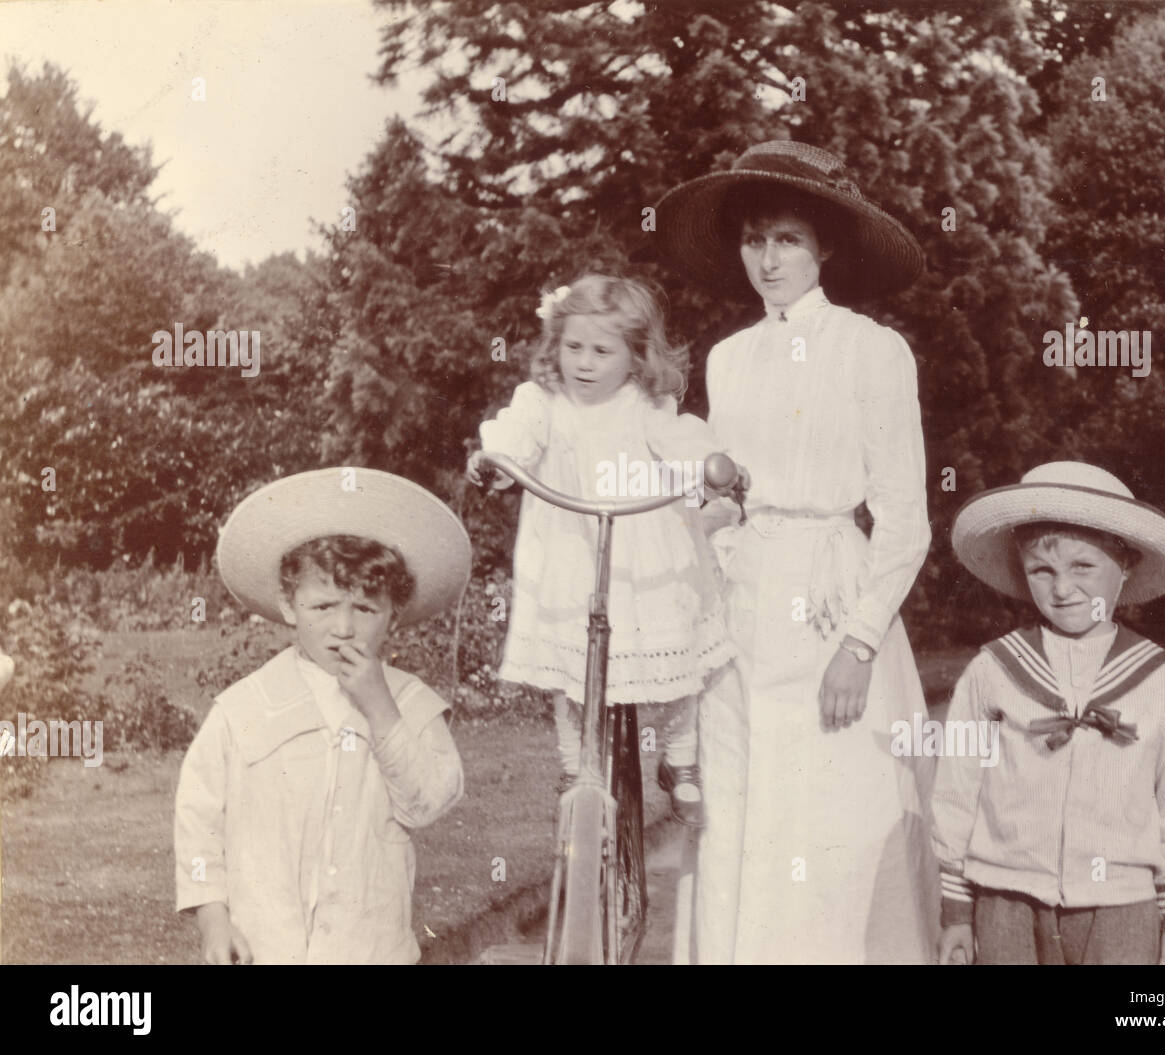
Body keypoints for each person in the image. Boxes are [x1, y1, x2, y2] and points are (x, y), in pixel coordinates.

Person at [655, 140, 938, 963]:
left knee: (832, 813)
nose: (767, 258)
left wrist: (859, 641)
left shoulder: (872, 349)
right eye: (752, 239)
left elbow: (905, 518)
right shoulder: (729, 358)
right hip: (743, 602)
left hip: (831, 601)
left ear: (826, 247)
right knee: (743, 808)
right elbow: (724, 496)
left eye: (786, 238)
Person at [468, 274, 743, 827]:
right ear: (556, 346)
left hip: (646, 556)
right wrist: (496, 460)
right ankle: (576, 767)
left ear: (635, 357)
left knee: (676, 654)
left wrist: (713, 470)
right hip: (571, 554)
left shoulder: (644, 405)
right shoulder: (542, 400)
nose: (585, 363)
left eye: (601, 350)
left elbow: (681, 444)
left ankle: (680, 759)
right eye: (573, 348)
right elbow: (518, 434)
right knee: (574, 671)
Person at [174, 467, 471, 964]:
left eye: (365, 609)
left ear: (394, 614)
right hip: (266, 947)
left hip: (371, 948)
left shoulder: (413, 704)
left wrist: (381, 709)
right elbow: (198, 819)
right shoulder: (243, 708)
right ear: (288, 607)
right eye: (323, 606)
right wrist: (214, 920)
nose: (343, 627)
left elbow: (427, 804)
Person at [934, 461, 1165, 965]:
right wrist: (956, 909)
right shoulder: (993, 670)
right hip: (1005, 894)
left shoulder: (1159, 678)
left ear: (1126, 565)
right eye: (1042, 570)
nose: (1062, 589)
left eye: (1083, 567)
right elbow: (956, 789)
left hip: (1121, 903)